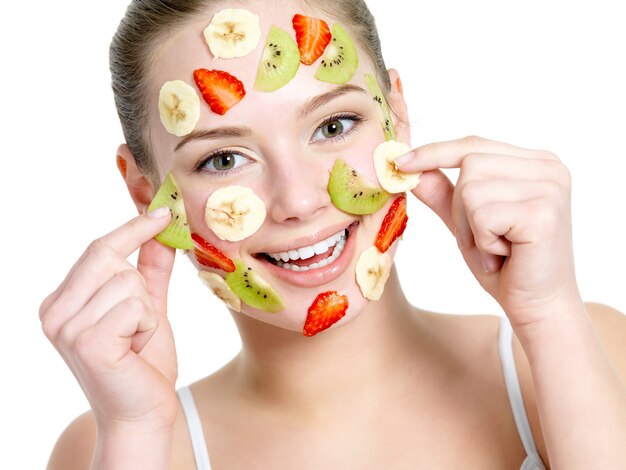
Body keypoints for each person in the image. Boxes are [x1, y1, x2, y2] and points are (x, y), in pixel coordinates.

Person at [40, 0, 626, 468]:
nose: (297, 200)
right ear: (147, 192)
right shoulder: (111, 445)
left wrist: (547, 313)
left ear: (396, 115)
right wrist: (137, 434)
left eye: (334, 124)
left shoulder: (582, 347)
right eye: (223, 160)